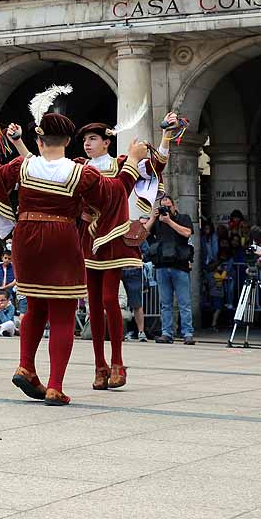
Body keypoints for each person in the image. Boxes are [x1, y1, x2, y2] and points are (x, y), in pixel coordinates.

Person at [0, 95, 148, 405]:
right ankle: (54, 385)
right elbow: (117, 192)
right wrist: (132, 159)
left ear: (39, 139)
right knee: (63, 313)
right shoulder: (81, 172)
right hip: (62, 237)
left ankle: (26, 366)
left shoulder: (22, 164)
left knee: (34, 306)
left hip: (26, 238)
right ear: (68, 140)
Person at [76, 115, 177, 387]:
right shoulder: (79, 167)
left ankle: (118, 362)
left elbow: (156, 164)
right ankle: (100, 366)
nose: (87, 144)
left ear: (107, 142)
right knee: (93, 305)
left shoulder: (120, 163)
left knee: (110, 299)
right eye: (85, 140)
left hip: (115, 237)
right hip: (88, 238)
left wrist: (165, 135)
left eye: (93, 139)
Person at [144, 195, 195, 344]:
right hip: (161, 267)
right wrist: (153, 218)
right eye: (162, 206)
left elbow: (187, 233)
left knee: (184, 303)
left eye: (168, 206)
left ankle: (187, 333)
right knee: (165, 303)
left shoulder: (183, 218)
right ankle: (167, 333)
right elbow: (143, 234)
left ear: (174, 207)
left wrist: (169, 221)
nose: (165, 209)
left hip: (180, 266)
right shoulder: (158, 221)